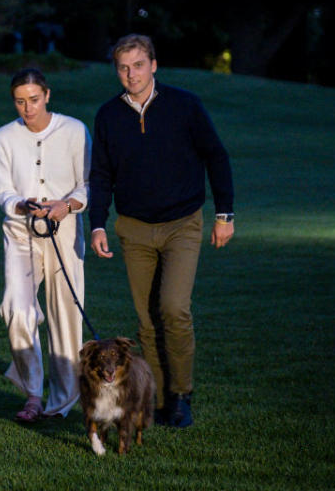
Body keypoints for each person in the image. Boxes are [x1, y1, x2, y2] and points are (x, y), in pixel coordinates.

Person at [89, 34, 235, 428]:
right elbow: (100, 174)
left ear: (154, 65)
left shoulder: (184, 105)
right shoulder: (108, 115)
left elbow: (215, 156)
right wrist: (97, 224)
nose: (131, 74)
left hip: (181, 223)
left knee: (174, 308)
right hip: (134, 228)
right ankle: (156, 395)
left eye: (138, 65)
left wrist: (225, 213)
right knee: (146, 320)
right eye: (123, 67)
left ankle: (182, 394)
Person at [0, 68, 91, 422]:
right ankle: (33, 391)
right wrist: (21, 204)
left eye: (34, 100)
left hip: (64, 231)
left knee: (66, 316)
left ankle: (61, 402)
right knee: (16, 309)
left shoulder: (75, 130)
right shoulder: (3, 137)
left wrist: (66, 205)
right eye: (20, 102)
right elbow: (3, 189)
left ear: (47, 95)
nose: (28, 108)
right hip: (20, 231)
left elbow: (87, 183)